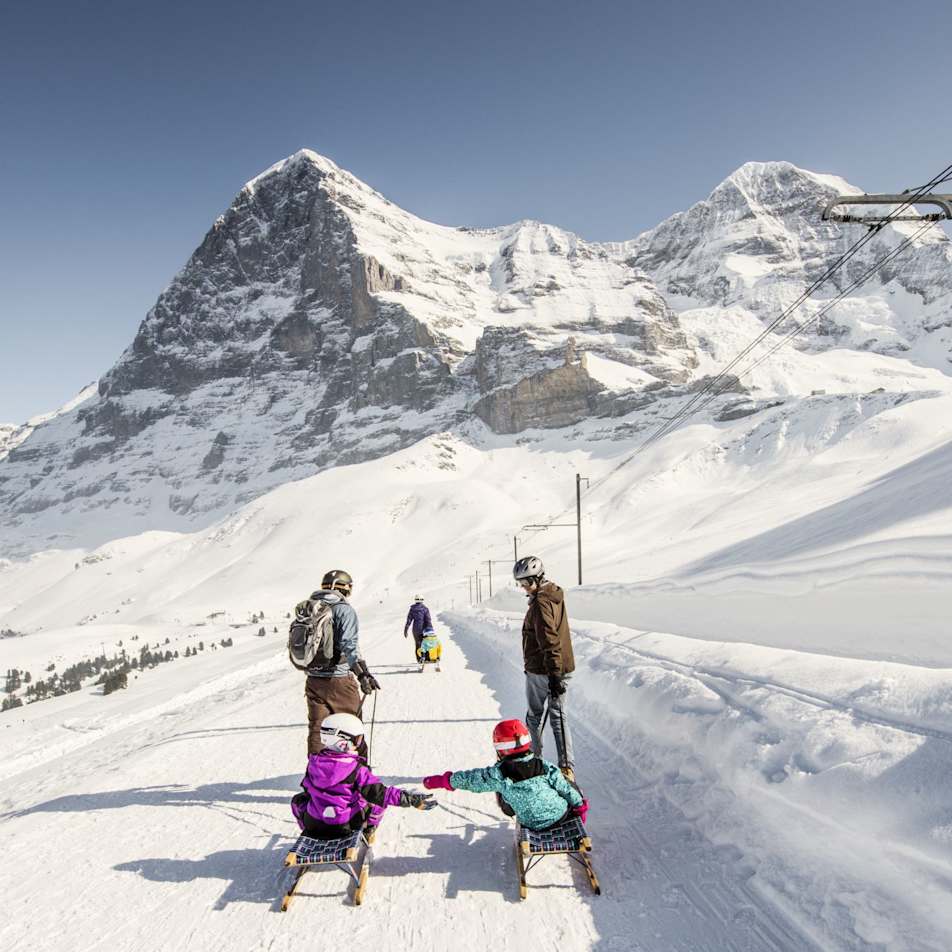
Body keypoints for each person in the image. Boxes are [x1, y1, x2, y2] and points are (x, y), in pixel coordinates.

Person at [422, 718, 587, 831]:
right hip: (561, 816)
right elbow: (565, 789)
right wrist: (579, 806)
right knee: (565, 782)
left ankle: (518, 804)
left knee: (501, 788)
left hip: (531, 823)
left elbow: (470, 780)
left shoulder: (498, 774)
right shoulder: (544, 766)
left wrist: (444, 780)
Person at [292, 713, 435, 839]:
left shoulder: (313, 763)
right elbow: (381, 794)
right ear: (343, 743)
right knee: (377, 802)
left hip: (314, 823)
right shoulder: (356, 769)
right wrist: (409, 799)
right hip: (346, 825)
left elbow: (307, 789)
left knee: (298, 800)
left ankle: (308, 833)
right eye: (358, 740)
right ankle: (369, 829)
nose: (359, 744)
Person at [295, 569, 381, 758]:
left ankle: (316, 777)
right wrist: (363, 674)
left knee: (318, 730)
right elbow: (349, 645)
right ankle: (359, 775)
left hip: (313, 679)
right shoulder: (344, 610)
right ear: (344, 587)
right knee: (351, 727)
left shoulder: (311, 607)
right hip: (339, 680)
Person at [512, 556, 577, 781]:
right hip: (558, 666)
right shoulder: (554, 595)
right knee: (559, 715)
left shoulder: (540, 602)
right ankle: (566, 768)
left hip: (543, 669)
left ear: (538, 578)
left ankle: (533, 762)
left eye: (527, 583)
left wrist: (553, 674)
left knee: (534, 716)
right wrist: (558, 671)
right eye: (520, 583)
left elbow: (549, 638)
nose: (524, 588)